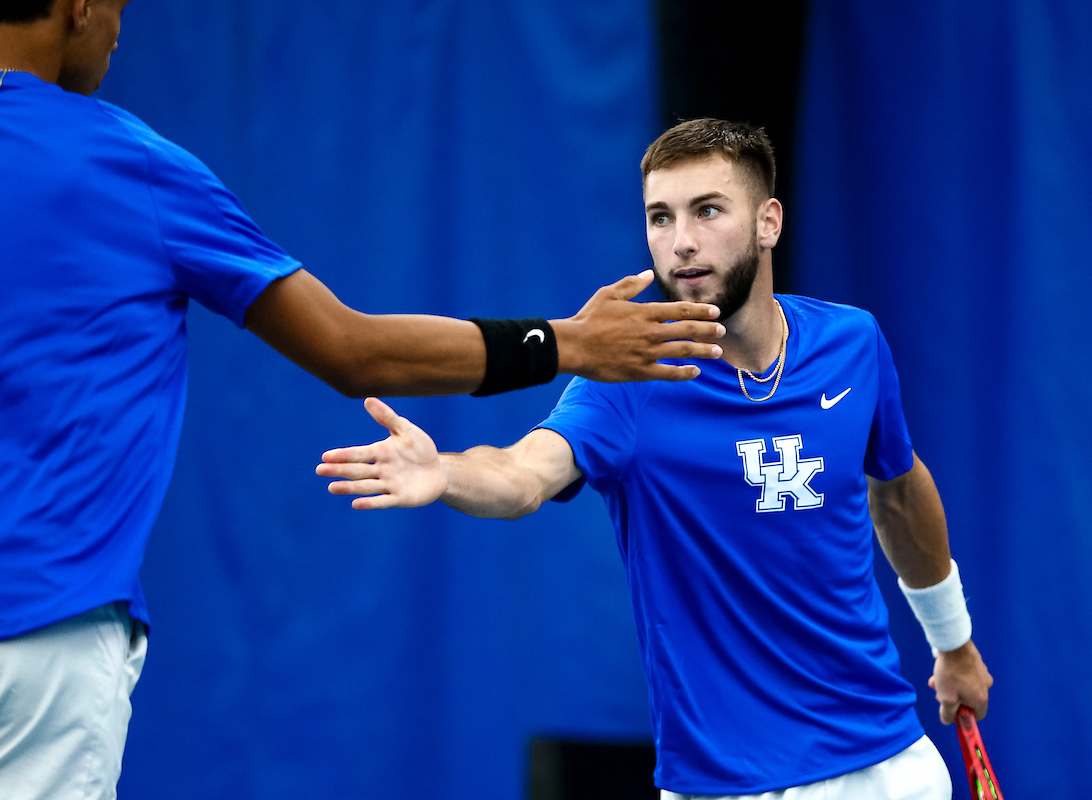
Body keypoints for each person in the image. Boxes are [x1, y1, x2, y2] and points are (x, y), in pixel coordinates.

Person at [0, 2, 726, 798]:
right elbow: (351, 348)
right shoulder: (129, 163)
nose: (118, 32)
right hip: (38, 631)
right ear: (77, 3)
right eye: (119, 3)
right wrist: (565, 342)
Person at [318, 118, 995, 799]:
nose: (683, 243)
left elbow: (899, 492)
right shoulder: (626, 380)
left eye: (707, 211)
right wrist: (446, 473)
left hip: (886, 763)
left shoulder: (853, 342)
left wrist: (953, 643)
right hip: (725, 784)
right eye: (660, 218)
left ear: (768, 222)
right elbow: (523, 474)